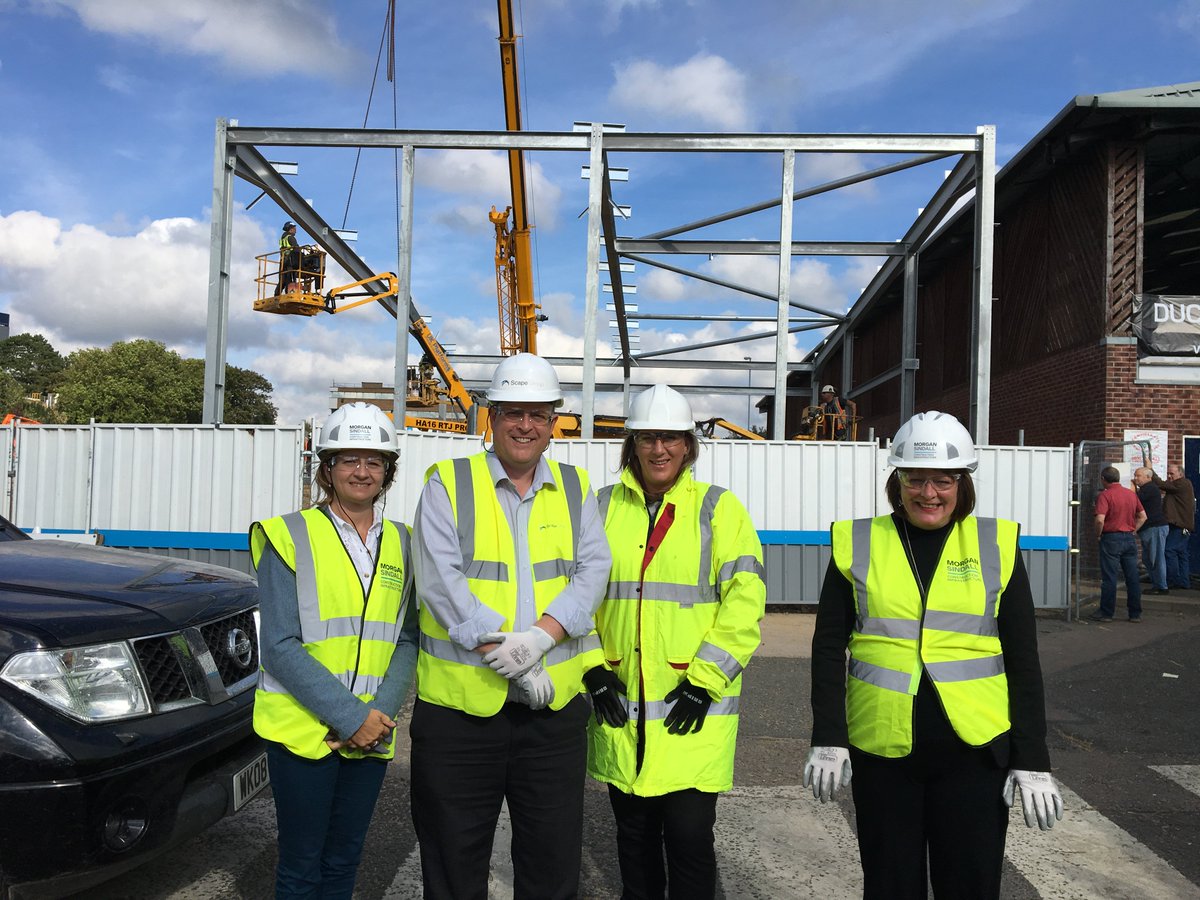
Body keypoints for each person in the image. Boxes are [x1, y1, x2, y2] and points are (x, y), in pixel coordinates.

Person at [805, 410, 1062, 900]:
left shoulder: (996, 543)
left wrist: (1033, 758)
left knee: (970, 886)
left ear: (963, 483)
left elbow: (1024, 658)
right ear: (896, 482)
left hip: (976, 753)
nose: (928, 493)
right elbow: (827, 648)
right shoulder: (856, 541)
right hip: (881, 750)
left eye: (943, 480)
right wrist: (828, 736)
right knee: (889, 886)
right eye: (915, 479)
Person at [409, 352, 611, 899]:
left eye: (539, 414)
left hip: (552, 717)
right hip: (461, 715)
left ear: (554, 422)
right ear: (491, 416)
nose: (526, 425)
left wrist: (541, 638)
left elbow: (595, 570)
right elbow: (438, 581)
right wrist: (510, 658)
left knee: (551, 865)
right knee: (453, 865)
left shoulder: (575, 487)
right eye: (513, 412)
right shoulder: (447, 482)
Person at [584, 384, 766, 899]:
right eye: (647, 438)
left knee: (688, 839)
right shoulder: (599, 507)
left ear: (689, 445)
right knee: (634, 837)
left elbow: (744, 603)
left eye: (671, 438)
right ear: (631, 445)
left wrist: (705, 681)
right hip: (620, 704)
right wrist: (592, 669)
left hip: (693, 710)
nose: (659, 449)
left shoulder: (718, 510)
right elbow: (575, 600)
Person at [250, 401, 417, 899]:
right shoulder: (288, 536)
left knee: (345, 860)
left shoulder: (405, 543)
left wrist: (379, 716)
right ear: (327, 468)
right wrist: (351, 717)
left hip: (371, 734)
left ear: (387, 471)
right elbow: (278, 644)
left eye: (374, 461)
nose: (362, 471)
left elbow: (407, 638)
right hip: (304, 734)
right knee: (302, 867)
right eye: (348, 460)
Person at [1094, 466, 1147, 622]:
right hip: (1129, 539)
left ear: (1104, 479)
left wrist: (1098, 534)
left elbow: (1099, 519)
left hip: (1111, 538)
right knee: (1132, 577)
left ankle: (1106, 613)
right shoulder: (1130, 495)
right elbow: (1143, 516)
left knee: (1110, 577)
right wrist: (1133, 531)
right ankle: (1135, 613)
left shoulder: (1105, 496)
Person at [1155, 463, 1196, 589]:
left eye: (1172, 473)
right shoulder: (1180, 485)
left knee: (1170, 550)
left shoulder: (1182, 483)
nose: (1169, 476)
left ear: (1180, 474)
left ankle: (1174, 580)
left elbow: (1162, 485)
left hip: (1179, 525)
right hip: (1181, 525)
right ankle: (1183, 582)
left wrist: (1151, 472)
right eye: (1168, 473)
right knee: (1181, 553)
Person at [1133, 466, 1169, 595]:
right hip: (1149, 528)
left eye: (1138, 476)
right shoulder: (1145, 488)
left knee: (1156, 557)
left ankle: (1161, 586)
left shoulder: (1150, 488)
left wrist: (1132, 487)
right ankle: (1156, 583)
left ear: (1148, 477)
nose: (1135, 478)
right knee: (1148, 558)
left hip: (1155, 527)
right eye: (1135, 475)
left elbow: (1135, 499)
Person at [278, 221, 301, 294]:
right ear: (290, 229)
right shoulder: (291, 238)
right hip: (290, 261)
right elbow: (296, 249)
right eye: (294, 229)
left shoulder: (283, 238)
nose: (295, 231)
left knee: (283, 279)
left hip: (283, 261)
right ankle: (291, 293)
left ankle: (277, 294)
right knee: (290, 278)